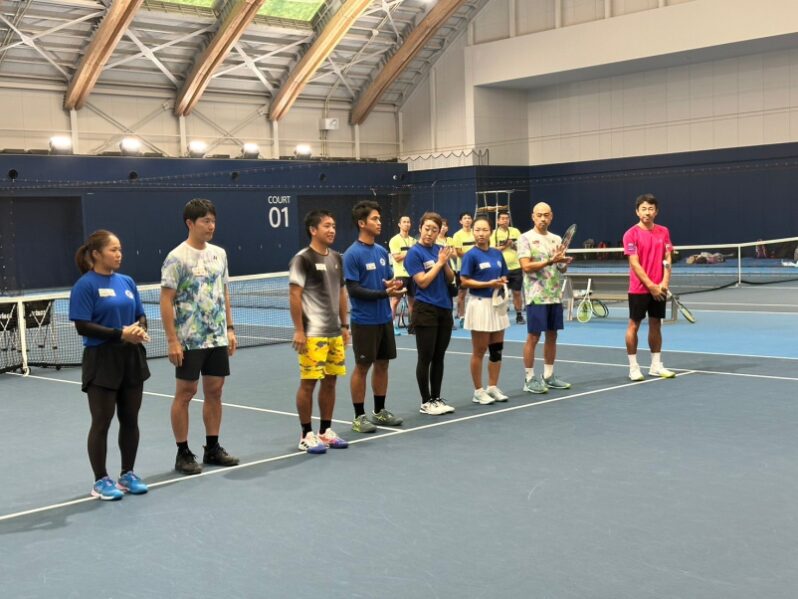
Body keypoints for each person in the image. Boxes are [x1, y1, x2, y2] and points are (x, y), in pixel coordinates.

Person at [160, 198, 240, 475]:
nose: (211, 226)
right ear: (190, 223)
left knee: (215, 391)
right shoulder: (176, 257)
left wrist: (230, 329)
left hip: (216, 337)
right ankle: (182, 452)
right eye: (206, 221)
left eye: (213, 221)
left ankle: (212, 447)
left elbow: (224, 292)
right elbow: (166, 300)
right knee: (186, 393)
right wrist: (172, 340)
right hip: (188, 340)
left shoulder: (220, 254)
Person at [69, 230, 150, 501]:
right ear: (96, 254)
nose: (119, 254)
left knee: (130, 419)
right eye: (113, 250)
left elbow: (140, 314)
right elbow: (82, 325)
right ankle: (100, 480)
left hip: (131, 358)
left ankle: (128, 474)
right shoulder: (85, 285)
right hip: (101, 360)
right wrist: (120, 334)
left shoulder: (127, 281)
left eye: (120, 249)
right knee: (102, 421)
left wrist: (139, 329)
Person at [289, 210, 350, 453]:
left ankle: (325, 431)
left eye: (333, 225)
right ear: (313, 230)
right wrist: (299, 330)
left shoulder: (336, 258)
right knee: (309, 383)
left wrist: (344, 325)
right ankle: (306, 434)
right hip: (312, 334)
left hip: (334, 333)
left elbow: (342, 292)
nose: (332, 230)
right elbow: (295, 295)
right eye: (326, 225)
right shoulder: (302, 259)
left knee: (330, 382)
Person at [343, 200, 405, 433]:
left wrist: (393, 285)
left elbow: (386, 280)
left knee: (383, 364)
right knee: (362, 367)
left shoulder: (380, 251)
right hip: (364, 321)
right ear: (362, 223)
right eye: (375, 219)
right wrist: (384, 293)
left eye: (379, 218)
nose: (379, 222)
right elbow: (354, 289)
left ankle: (379, 412)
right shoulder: (352, 254)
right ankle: (359, 416)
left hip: (384, 318)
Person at [517, 202, 572, 394]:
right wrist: (550, 260)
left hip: (554, 295)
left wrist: (563, 262)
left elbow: (560, 268)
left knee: (552, 335)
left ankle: (548, 376)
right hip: (536, 296)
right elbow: (526, 266)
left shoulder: (556, 239)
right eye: (539, 215)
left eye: (546, 215)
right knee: (533, 336)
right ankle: (529, 378)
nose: (542, 218)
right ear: (533, 217)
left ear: (551, 216)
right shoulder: (525, 238)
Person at [405, 212, 456, 415]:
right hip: (425, 309)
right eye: (427, 228)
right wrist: (440, 263)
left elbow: (450, 278)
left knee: (439, 356)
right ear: (420, 228)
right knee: (425, 357)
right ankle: (425, 402)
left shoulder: (439, 250)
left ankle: (436, 398)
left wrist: (446, 262)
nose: (430, 233)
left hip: (444, 308)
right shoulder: (414, 253)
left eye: (434, 230)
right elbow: (423, 282)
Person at [623, 193, 676, 381]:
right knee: (634, 325)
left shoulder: (664, 231)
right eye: (643, 209)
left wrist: (665, 282)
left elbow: (667, 258)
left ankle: (655, 366)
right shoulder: (630, 234)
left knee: (656, 324)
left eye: (650, 209)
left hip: (659, 287)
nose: (647, 212)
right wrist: (651, 285)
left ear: (656, 211)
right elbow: (634, 263)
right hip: (639, 289)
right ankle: (633, 368)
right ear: (637, 212)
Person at [460, 215, 510, 405]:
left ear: (491, 232)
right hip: (479, 305)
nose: (481, 233)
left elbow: (504, 275)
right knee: (479, 350)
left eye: (484, 230)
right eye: (477, 230)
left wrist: (501, 281)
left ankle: (492, 387)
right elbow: (464, 281)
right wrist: (488, 283)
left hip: (497, 305)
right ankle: (478, 391)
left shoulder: (497, 254)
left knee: (496, 350)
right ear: (473, 232)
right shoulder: (471, 255)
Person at [491, 211, 525, 324]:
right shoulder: (493, 233)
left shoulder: (515, 232)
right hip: (500, 268)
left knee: (517, 293)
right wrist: (505, 245)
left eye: (507, 218)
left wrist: (513, 245)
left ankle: (519, 315)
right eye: (502, 218)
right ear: (498, 221)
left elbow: (522, 248)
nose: (505, 220)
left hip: (516, 267)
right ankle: (501, 315)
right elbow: (492, 250)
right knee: (500, 293)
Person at [388, 215, 416, 329]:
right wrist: (410, 252)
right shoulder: (394, 240)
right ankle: (390, 326)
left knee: (413, 302)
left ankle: (412, 326)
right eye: (404, 222)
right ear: (399, 224)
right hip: (400, 275)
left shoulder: (414, 241)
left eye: (408, 222)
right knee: (395, 301)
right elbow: (396, 258)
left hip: (413, 275)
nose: (407, 224)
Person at [452, 212, 475, 328]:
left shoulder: (476, 232)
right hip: (463, 268)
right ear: (460, 221)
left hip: (477, 269)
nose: (467, 220)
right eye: (464, 218)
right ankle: (462, 317)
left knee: (478, 292)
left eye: (469, 218)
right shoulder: (457, 235)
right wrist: (473, 257)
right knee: (462, 294)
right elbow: (458, 252)